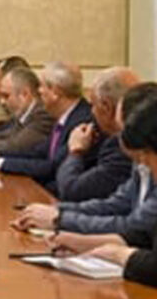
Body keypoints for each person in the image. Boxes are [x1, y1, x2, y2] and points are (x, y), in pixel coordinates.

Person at [49, 82, 157, 298]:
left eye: (147, 154)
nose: (143, 162)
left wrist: (121, 255)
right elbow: (148, 235)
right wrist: (86, 243)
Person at [12, 83, 157, 235]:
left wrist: (60, 219)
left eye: (122, 132)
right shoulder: (140, 159)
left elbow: (135, 226)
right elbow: (116, 203)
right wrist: (57, 210)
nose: (120, 140)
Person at [0, 61, 93, 195]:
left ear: (55, 92)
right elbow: (37, 152)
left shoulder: (82, 121)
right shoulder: (66, 115)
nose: (38, 91)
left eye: (41, 86)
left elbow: (52, 167)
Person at [51, 67, 138, 201]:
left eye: (93, 105)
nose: (91, 112)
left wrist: (76, 152)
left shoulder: (122, 146)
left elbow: (71, 190)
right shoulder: (102, 135)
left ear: (106, 107)